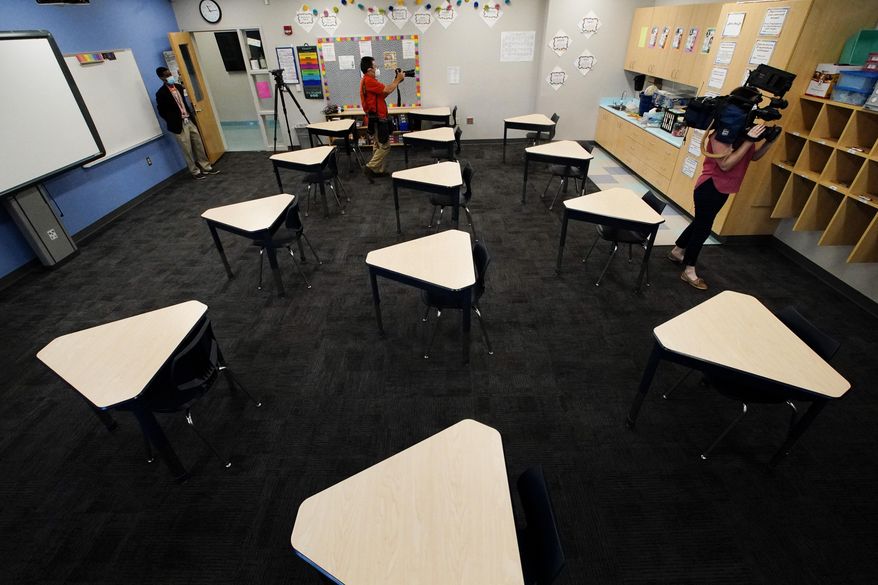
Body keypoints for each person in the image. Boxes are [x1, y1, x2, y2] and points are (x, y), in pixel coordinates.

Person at [668, 121, 777, 290]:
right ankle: (689, 270)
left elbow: (753, 156)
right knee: (704, 228)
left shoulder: (741, 135)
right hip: (710, 186)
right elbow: (725, 165)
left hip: (724, 188)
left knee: (701, 222)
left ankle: (678, 251)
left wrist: (769, 141)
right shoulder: (720, 136)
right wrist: (749, 140)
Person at [155, 67, 219, 180]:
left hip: (189, 120)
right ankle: (195, 171)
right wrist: (173, 120)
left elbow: (184, 102)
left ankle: (206, 166)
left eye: (169, 73)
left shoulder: (179, 87)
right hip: (178, 125)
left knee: (198, 144)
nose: (169, 76)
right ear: (161, 78)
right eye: (166, 75)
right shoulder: (161, 93)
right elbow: (162, 111)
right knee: (187, 149)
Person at [359, 57, 405, 179]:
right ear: (369, 69)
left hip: (375, 119)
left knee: (378, 145)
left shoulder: (367, 81)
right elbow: (387, 89)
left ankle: (378, 171)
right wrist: (398, 80)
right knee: (385, 146)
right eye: (376, 67)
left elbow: (384, 93)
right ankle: (370, 167)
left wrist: (396, 80)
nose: (377, 69)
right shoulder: (369, 81)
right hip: (378, 119)